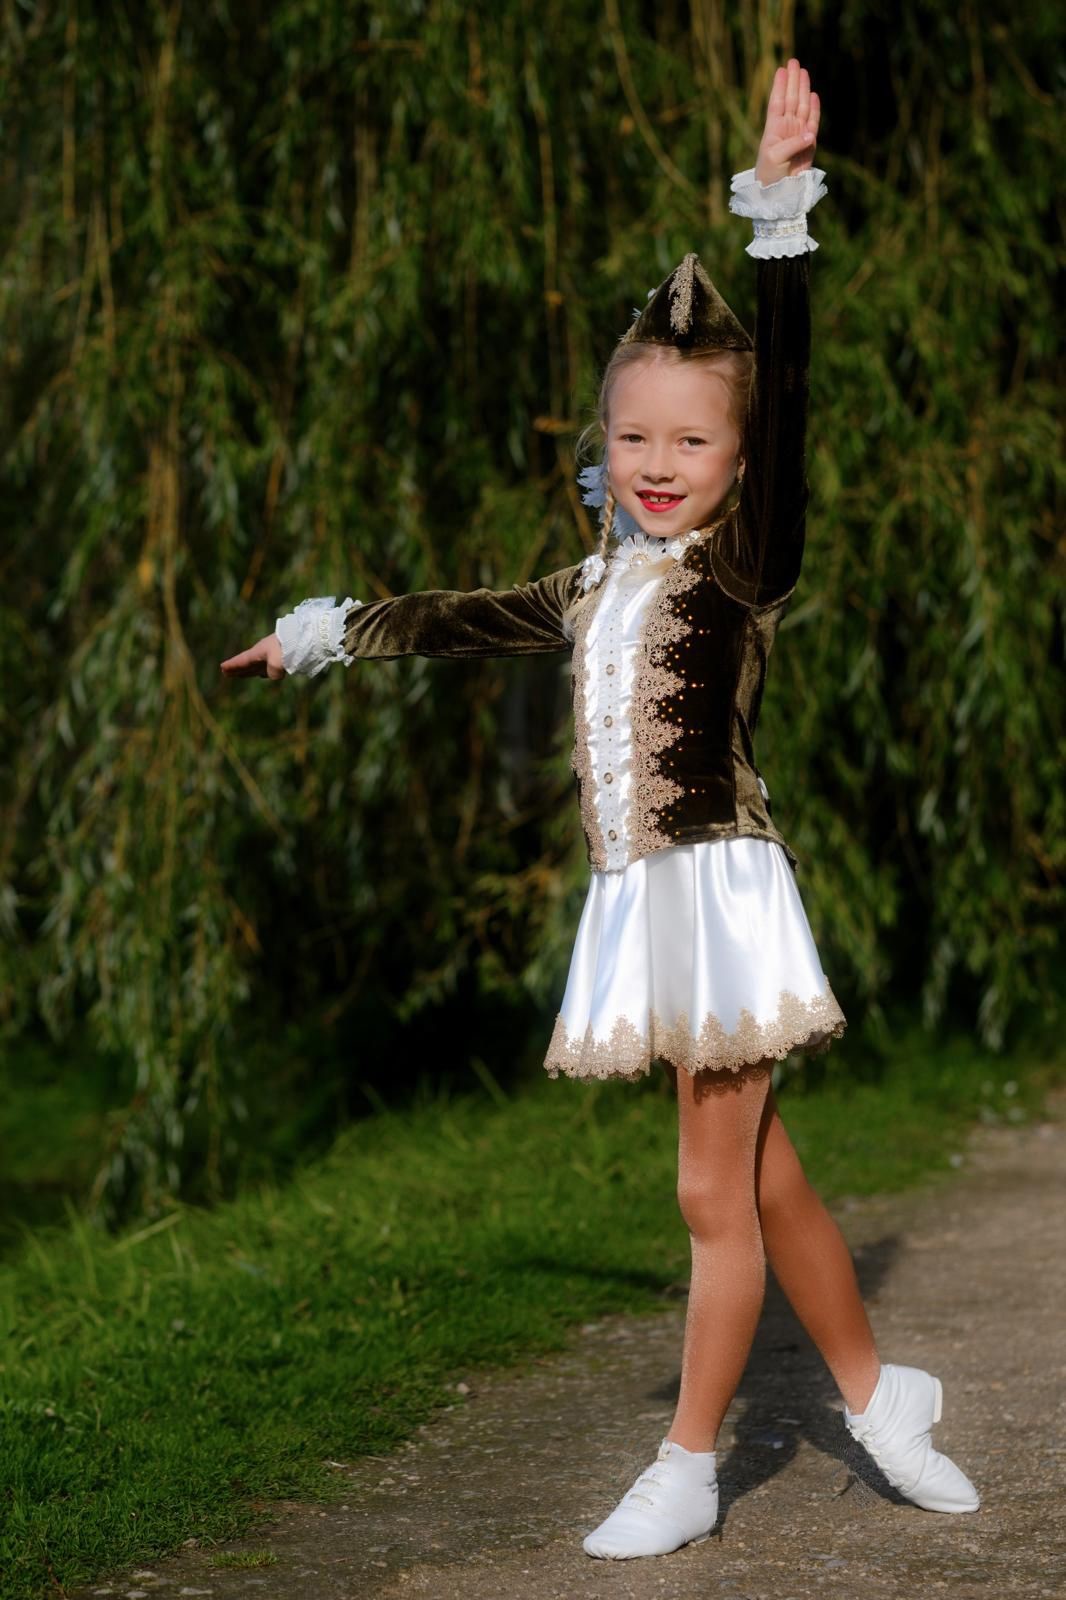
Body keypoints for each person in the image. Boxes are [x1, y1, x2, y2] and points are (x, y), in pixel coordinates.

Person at [221, 58, 980, 1561]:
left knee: (707, 1194)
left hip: (720, 888)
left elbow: (793, 398)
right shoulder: (592, 583)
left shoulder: (743, 568)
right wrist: (322, 633)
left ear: (738, 462)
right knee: (761, 1173)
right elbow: (451, 616)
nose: (658, 465)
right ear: (603, 446)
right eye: (634, 439)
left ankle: (686, 1465)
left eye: (691, 442)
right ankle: (878, 1397)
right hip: (645, 897)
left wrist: (780, 223)